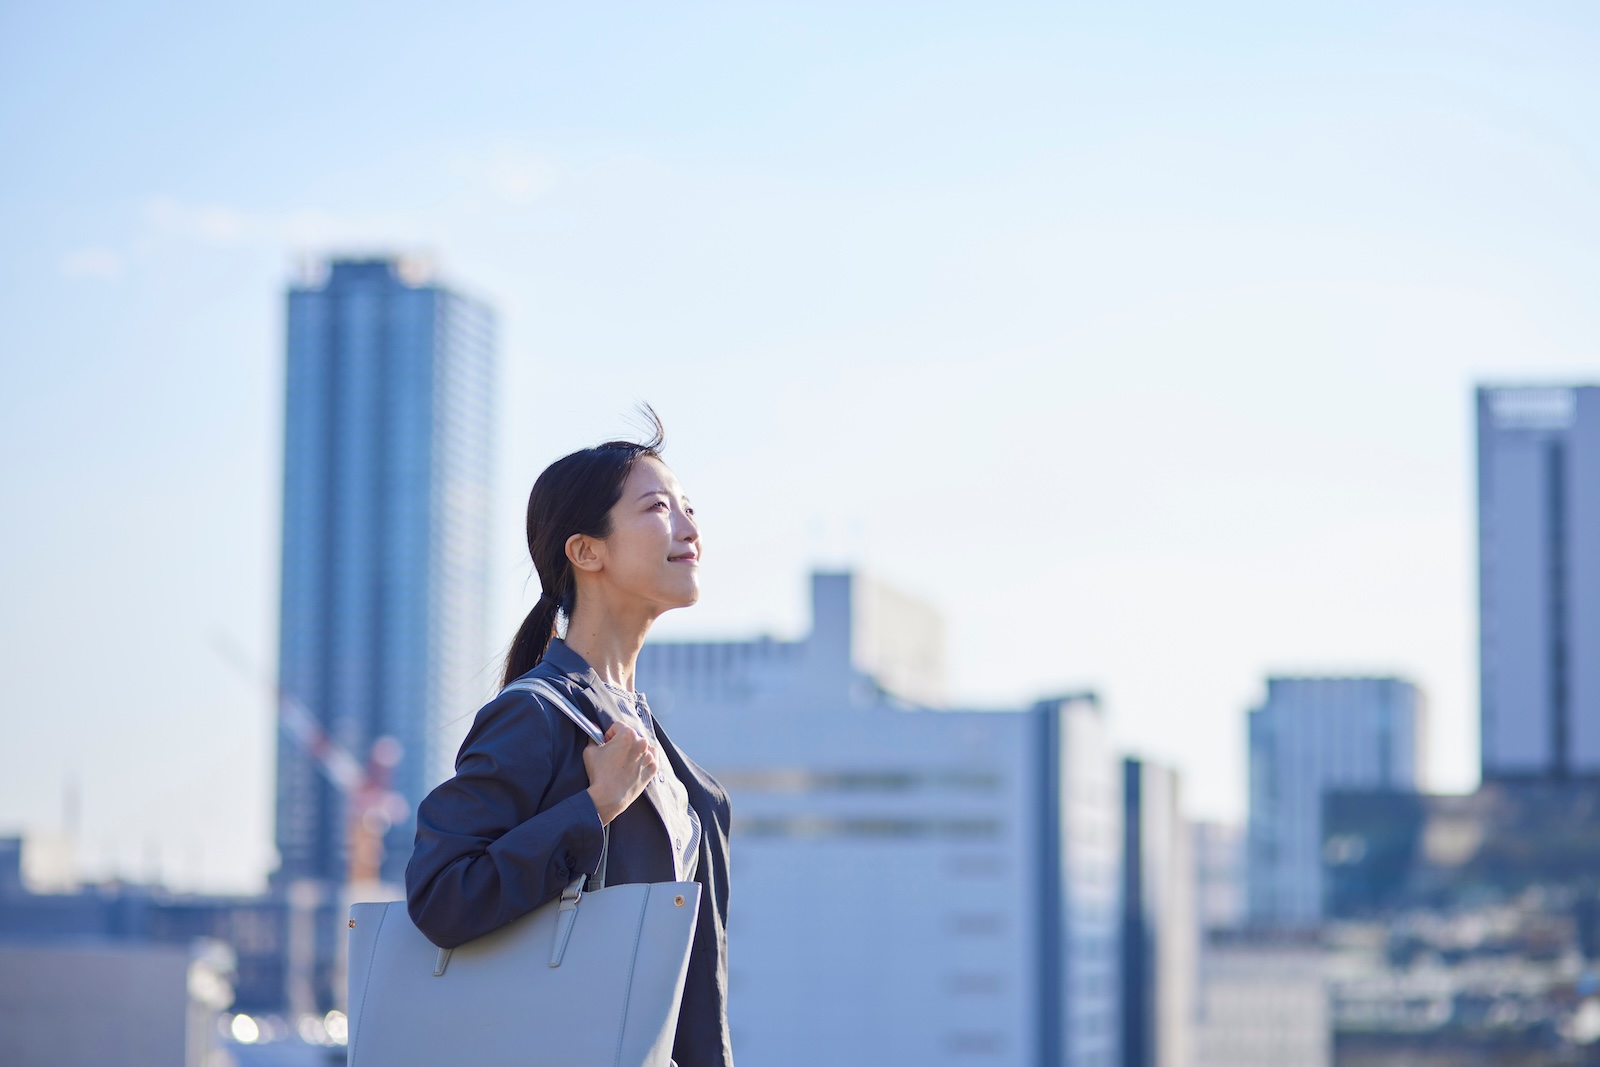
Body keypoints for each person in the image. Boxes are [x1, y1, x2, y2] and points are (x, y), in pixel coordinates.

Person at [406, 411, 733, 1066]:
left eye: (689, 507)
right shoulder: (536, 714)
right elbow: (441, 891)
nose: (689, 526)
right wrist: (592, 809)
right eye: (657, 508)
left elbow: (693, 997)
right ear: (587, 551)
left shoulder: (674, 765)